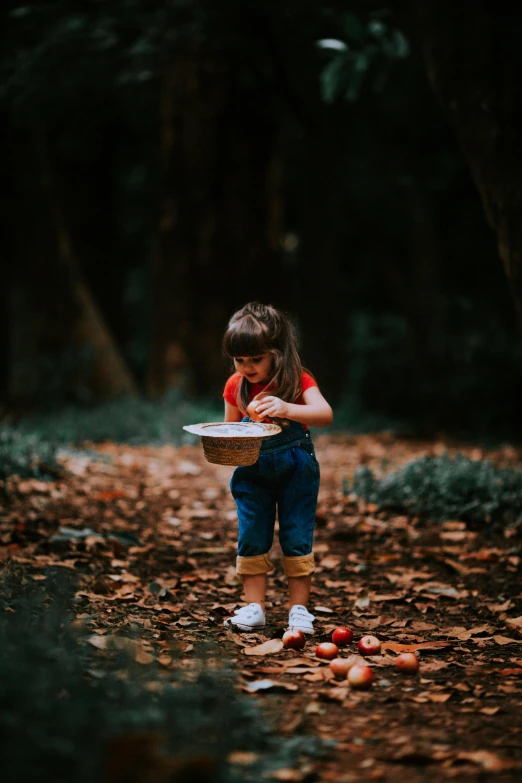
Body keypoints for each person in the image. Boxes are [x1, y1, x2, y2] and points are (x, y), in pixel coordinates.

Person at [221, 302, 333, 635]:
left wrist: (287, 407)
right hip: (252, 471)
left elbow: (324, 415)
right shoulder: (235, 386)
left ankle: (299, 610)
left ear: (277, 352)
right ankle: (254, 607)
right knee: (252, 534)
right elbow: (229, 432)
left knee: (296, 534)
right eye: (240, 360)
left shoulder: (297, 380)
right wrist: (243, 429)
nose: (247, 367)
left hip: (296, 468)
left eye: (256, 359)